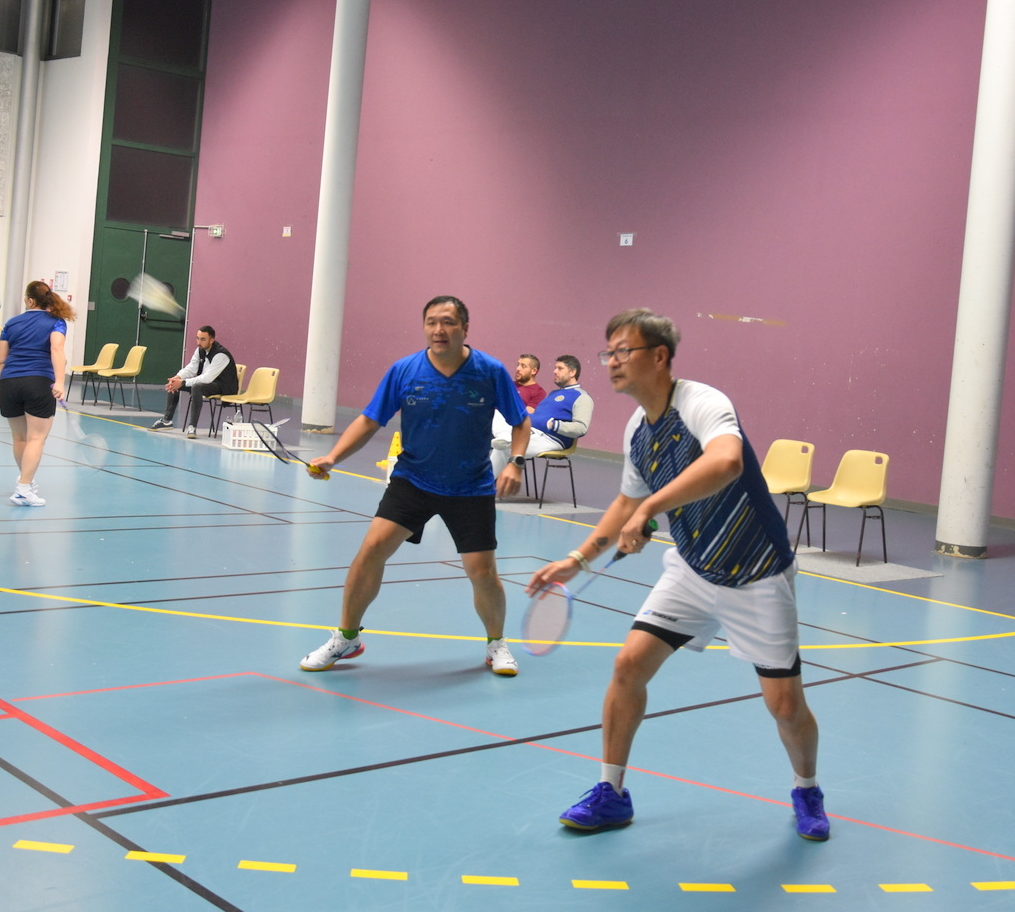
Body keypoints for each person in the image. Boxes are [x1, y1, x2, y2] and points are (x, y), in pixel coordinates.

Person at [526, 308, 828, 841]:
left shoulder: (702, 403)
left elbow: (727, 462)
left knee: (784, 705)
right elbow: (627, 501)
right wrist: (578, 559)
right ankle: (612, 792)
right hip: (692, 569)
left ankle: (807, 788)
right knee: (628, 666)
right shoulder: (637, 431)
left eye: (624, 351)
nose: (612, 362)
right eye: (608, 353)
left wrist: (651, 507)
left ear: (659, 356)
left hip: (756, 571)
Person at [300, 296, 532, 676]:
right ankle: (347, 637)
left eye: (448, 322)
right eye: (431, 322)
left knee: (482, 571)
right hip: (414, 479)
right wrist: (333, 457)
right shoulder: (405, 370)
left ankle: (496, 644)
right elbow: (370, 419)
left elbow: (520, 422)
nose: (439, 330)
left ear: (465, 328)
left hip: (470, 485)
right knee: (371, 551)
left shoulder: (489, 371)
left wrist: (516, 463)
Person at [0, 281, 73, 507]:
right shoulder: (56, 322)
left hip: (9, 382)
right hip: (38, 382)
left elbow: (1, 360)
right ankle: (23, 489)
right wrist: (60, 382)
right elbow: (57, 350)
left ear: (29, 300)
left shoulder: (11, 323)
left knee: (20, 438)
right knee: (36, 439)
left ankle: (25, 482)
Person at [490, 355, 594, 481]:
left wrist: (555, 425)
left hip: (551, 439)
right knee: (497, 413)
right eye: (555, 368)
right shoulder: (553, 394)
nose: (555, 371)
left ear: (572, 372)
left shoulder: (582, 397)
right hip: (530, 431)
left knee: (505, 447)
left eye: (560, 368)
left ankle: (481, 487)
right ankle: (505, 436)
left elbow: (581, 428)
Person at [150, 326, 237, 438]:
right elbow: (191, 368)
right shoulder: (200, 350)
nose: (199, 342)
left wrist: (183, 382)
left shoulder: (221, 355)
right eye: (197, 338)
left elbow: (207, 378)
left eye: (203, 339)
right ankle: (167, 421)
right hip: (209, 383)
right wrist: (177, 378)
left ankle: (192, 427)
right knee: (175, 383)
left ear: (211, 340)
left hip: (224, 387)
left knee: (196, 387)